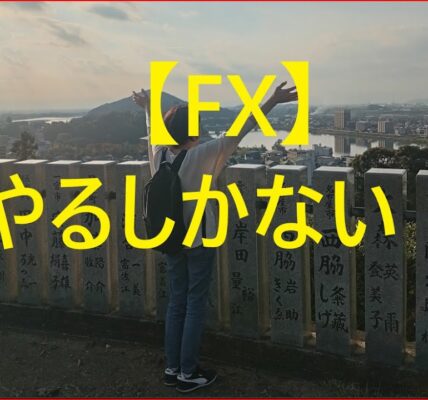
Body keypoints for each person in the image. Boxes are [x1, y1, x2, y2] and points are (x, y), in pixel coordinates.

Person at [132, 81, 297, 393]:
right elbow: (242, 127)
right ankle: (188, 372)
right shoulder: (204, 154)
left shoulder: (158, 154)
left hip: (169, 238)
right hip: (199, 239)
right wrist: (272, 100)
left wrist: (148, 107)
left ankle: (172, 368)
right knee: (195, 303)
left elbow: (152, 129)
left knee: (176, 302)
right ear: (194, 132)